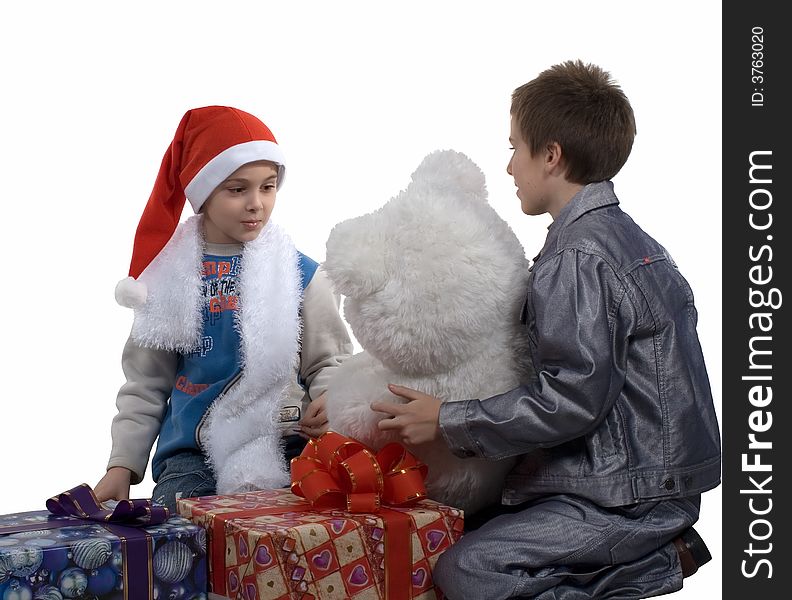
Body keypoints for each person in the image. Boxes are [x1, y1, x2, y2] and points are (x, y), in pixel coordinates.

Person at [373, 61, 721, 599]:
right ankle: (656, 560)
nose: (510, 167)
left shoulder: (579, 257)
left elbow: (573, 399)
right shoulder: (624, 241)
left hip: (630, 494)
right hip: (643, 479)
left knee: (468, 570)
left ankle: (654, 563)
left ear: (551, 156)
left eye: (514, 148)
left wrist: (450, 420)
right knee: (472, 527)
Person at [94, 106, 352, 512]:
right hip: (192, 454)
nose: (257, 204)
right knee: (189, 539)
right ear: (203, 192)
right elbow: (146, 383)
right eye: (238, 189)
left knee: (289, 536)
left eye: (268, 187)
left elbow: (328, 363)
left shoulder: (301, 276)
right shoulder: (166, 280)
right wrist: (121, 467)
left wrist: (333, 405)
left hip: (286, 440)